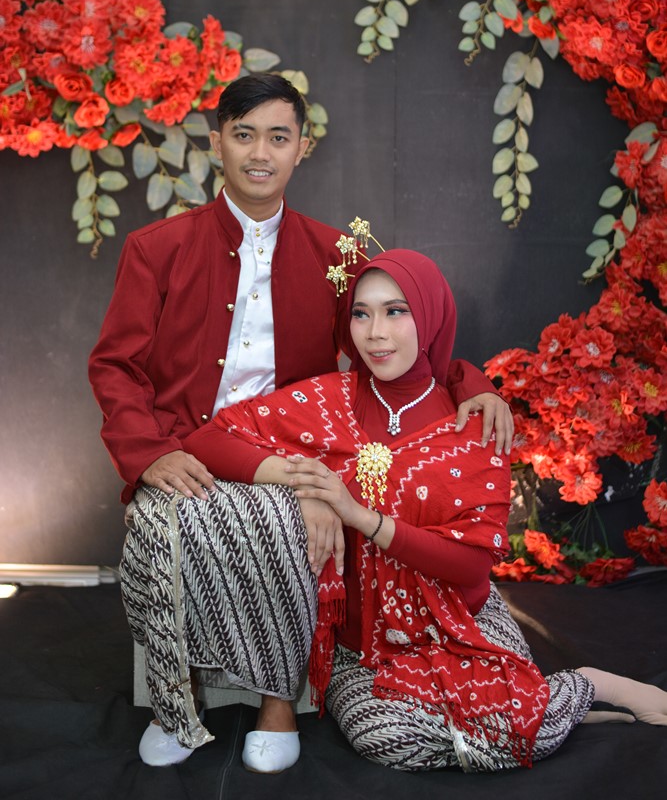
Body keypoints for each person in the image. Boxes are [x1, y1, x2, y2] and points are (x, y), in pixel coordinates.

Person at [88, 74, 513, 768]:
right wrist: (148, 453)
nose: (260, 153)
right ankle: (178, 694)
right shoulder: (157, 247)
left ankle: (277, 700)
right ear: (216, 142)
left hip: (293, 453)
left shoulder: (334, 256)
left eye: (278, 137)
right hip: (184, 452)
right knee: (162, 527)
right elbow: (115, 366)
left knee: (295, 518)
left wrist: (473, 383)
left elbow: (390, 344)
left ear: (302, 148)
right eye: (244, 135)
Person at [184, 248, 667, 772]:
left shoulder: (474, 422)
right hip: (364, 646)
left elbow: (472, 566)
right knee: (386, 740)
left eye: (396, 311)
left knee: (504, 725)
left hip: (463, 622)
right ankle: (540, 714)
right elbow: (209, 439)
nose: (376, 333)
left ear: (431, 315)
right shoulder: (328, 402)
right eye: (362, 314)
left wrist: (360, 516)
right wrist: (306, 482)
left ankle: (588, 686)